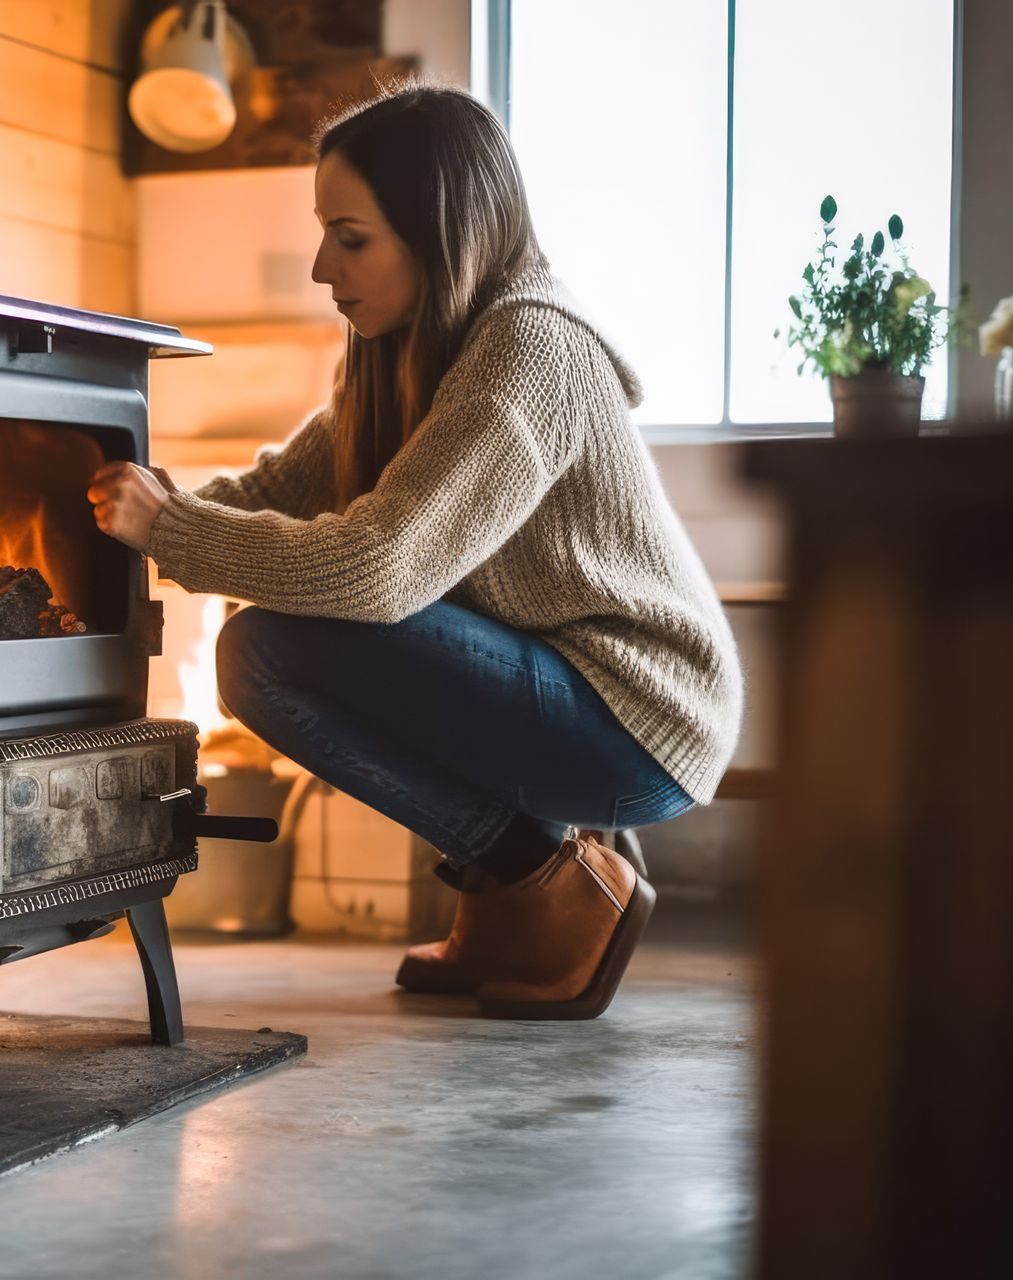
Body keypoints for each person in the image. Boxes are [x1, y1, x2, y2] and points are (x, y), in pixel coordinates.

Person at [85, 83, 742, 1021]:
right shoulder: (398, 352)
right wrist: (114, 524)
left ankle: (545, 880)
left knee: (264, 650)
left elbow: (381, 568)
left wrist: (173, 531)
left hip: (637, 718)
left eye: (351, 238)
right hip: (558, 686)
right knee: (274, 634)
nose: (322, 266)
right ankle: (513, 886)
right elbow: (276, 490)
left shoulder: (531, 348)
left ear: (445, 235)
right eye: (325, 233)